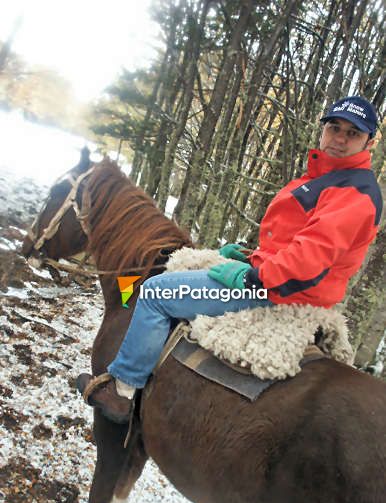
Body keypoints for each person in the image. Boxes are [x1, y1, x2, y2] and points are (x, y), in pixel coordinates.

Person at [83, 96, 382, 423]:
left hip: (273, 291)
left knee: (156, 293)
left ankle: (123, 390)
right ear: (323, 129)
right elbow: (295, 241)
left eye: (352, 133)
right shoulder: (326, 178)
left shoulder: (354, 192)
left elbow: (309, 259)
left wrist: (252, 277)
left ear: (370, 141)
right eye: (334, 127)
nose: (339, 138)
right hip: (274, 279)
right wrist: (251, 256)